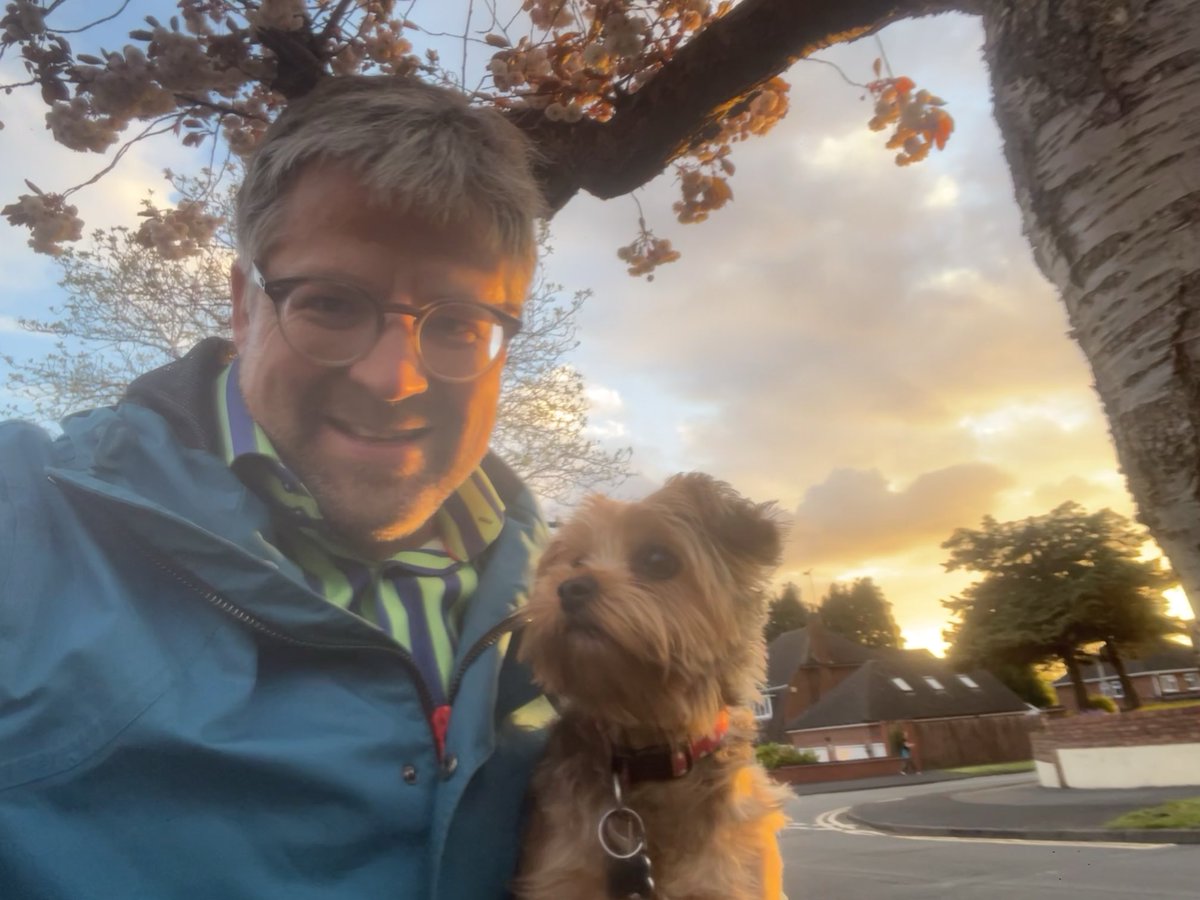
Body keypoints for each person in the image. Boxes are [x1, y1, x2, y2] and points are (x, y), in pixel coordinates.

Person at [0, 76, 550, 899]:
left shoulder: (568, 606)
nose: (392, 378)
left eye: (460, 324)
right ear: (242, 306)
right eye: (331, 303)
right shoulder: (26, 520)